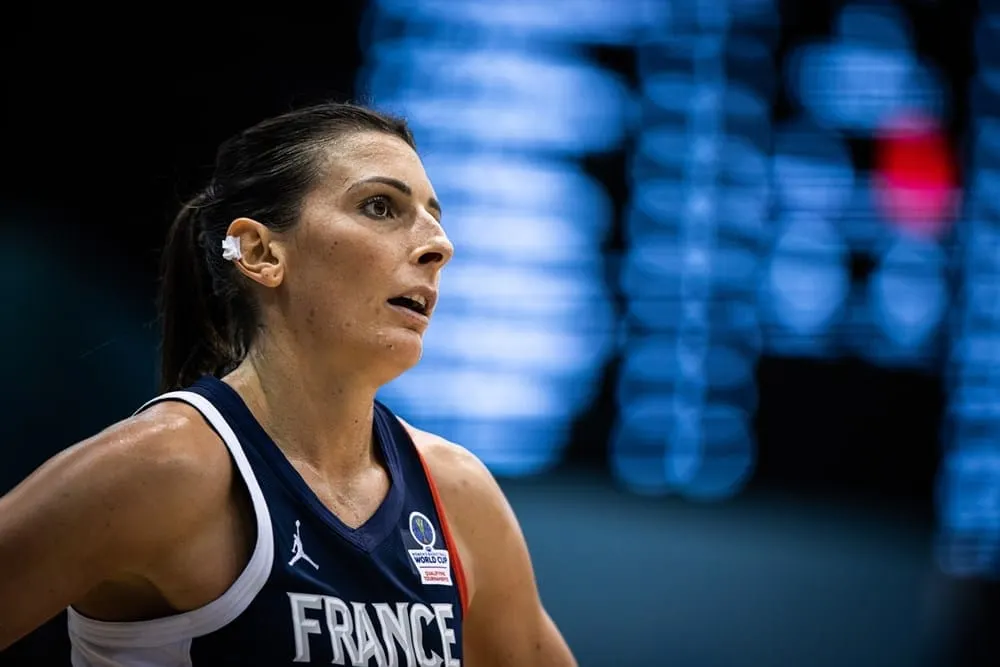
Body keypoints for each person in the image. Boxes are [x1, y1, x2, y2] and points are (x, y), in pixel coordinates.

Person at [0, 101, 577, 666]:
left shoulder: (456, 492)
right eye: (380, 206)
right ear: (260, 252)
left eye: (435, 217)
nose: (439, 246)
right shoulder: (164, 469)